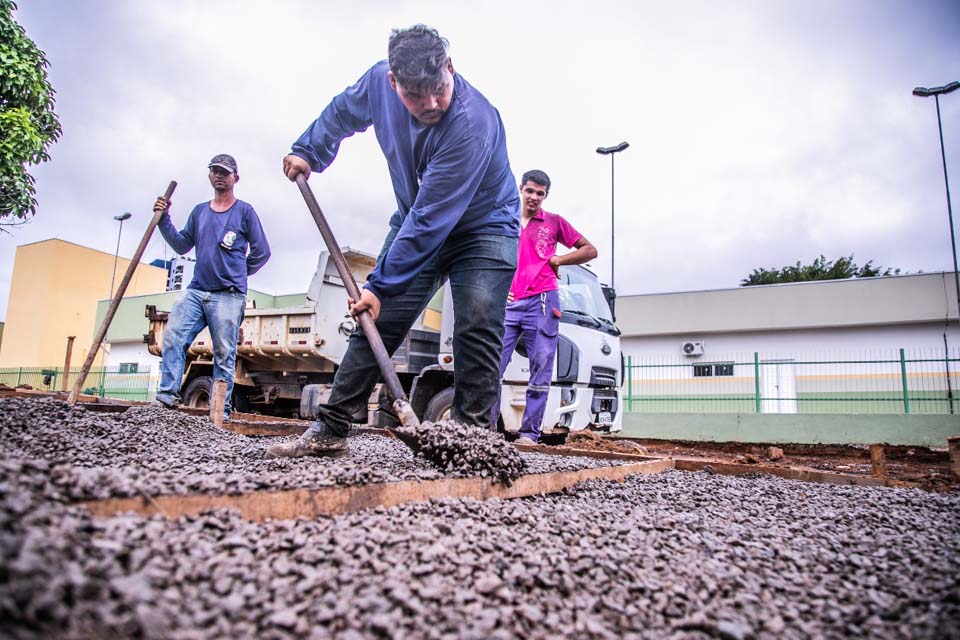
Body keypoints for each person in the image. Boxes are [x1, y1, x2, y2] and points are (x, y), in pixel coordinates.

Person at [268, 24, 519, 458]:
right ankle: (330, 429)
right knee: (375, 322)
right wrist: (309, 149)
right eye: (415, 96)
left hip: (484, 230)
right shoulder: (376, 84)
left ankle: (473, 446)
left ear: (451, 69)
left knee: (477, 328)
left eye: (438, 90)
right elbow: (342, 113)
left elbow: (429, 220)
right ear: (393, 83)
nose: (431, 104)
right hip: (419, 216)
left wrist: (380, 285)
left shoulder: (473, 122)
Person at [153, 154, 271, 419]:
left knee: (224, 351)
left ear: (235, 179)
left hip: (228, 295)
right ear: (210, 176)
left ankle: (220, 411)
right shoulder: (200, 212)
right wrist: (163, 219)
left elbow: (262, 252)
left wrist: (239, 274)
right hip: (197, 290)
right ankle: (166, 397)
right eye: (215, 171)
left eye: (225, 172)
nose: (219, 175)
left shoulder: (244, 212)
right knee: (173, 337)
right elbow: (182, 244)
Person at [493, 170, 597, 444]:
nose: (534, 197)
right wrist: (499, 289)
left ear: (546, 196)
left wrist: (560, 259)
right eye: (530, 191)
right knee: (491, 365)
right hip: (509, 304)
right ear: (521, 189)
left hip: (542, 300)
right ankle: (485, 432)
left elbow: (589, 250)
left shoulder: (553, 222)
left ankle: (529, 434)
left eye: (540, 193)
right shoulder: (506, 219)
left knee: (541, 366)